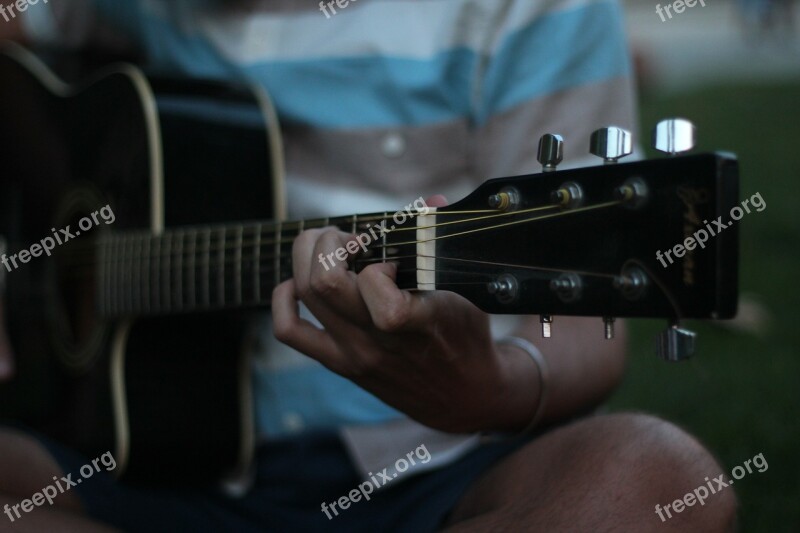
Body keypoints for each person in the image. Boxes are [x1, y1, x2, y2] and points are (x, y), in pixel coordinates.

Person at [0, 1, 737, 531]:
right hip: (144, 458)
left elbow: (586, 340)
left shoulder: (529, 9)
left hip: (443, 469)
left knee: (657, 477)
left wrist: (489, 391)